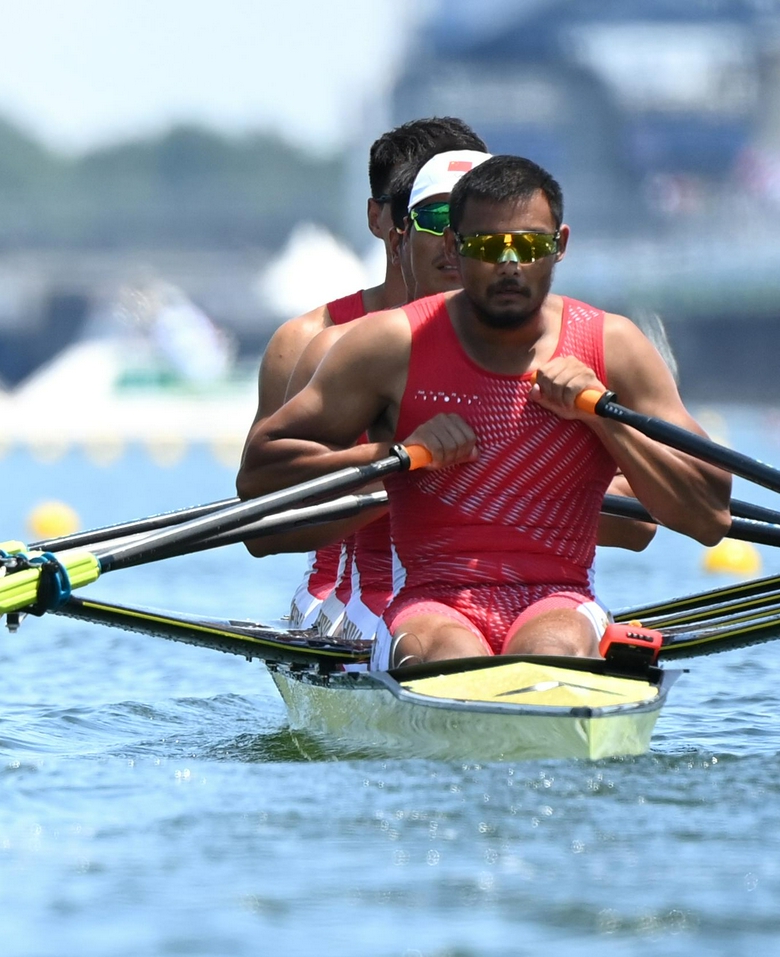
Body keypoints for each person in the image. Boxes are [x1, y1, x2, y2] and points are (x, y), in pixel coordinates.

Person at [241, 155, 729, 668]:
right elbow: (260, 470)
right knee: (447, 654)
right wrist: (401, 456)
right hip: (431, 604)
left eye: (530, 245)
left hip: (561, 600)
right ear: (456, 247)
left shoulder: (613, 345)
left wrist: (603, 419)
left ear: (559, 246)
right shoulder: (390, 345)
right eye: (488, 246)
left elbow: (711, 516)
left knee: (552, 647)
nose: (510, 265)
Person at [254, 118, 487, 630]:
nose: (454, 238)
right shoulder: (312, 343)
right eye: (432, 215)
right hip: (354, 605)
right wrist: (401, 467)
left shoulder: (544, 344)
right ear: (385, 220)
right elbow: (262, 526)